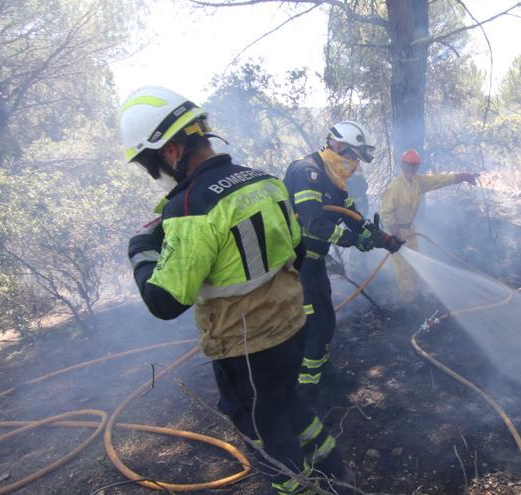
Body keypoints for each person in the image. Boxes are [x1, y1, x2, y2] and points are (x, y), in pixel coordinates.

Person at [120, 86, 349, 494]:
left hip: (245, 348)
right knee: (290, 402)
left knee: (264, 430)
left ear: (171, 150)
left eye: (152, 163)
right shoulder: (265, 181)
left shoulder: (189, 207)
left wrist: (141, 251)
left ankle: (293, 486)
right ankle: (333, 467)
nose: (157, 174)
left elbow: (165, 301)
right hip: (292, 329)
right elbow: (296, 249)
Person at [283, 121, 401, 394]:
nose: (352, 163)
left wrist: (382, 239)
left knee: (325, 320)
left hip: (313, 263)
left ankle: (319, 375)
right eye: (349, 155)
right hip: (294, 265)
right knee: (313, 325)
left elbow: (354, 217)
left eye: (355, 159)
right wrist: (352, 240)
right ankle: (305, 393)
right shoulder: (308, 172)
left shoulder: (335, 182)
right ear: (334, 145)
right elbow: (313, 223)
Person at [379, 148, 478, 302]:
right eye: (408, 165)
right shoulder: (395, 187)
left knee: (414, 261)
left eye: (415, 166)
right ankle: (406, 299)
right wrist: (395, 232)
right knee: (402, 266)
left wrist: (463, 176)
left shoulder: (419, 182)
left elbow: (439, 180)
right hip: (395, 231)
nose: (411, 168)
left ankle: (416, 292)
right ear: (402, 166)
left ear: (418, 167)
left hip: (409, 229)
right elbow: (385, 212)